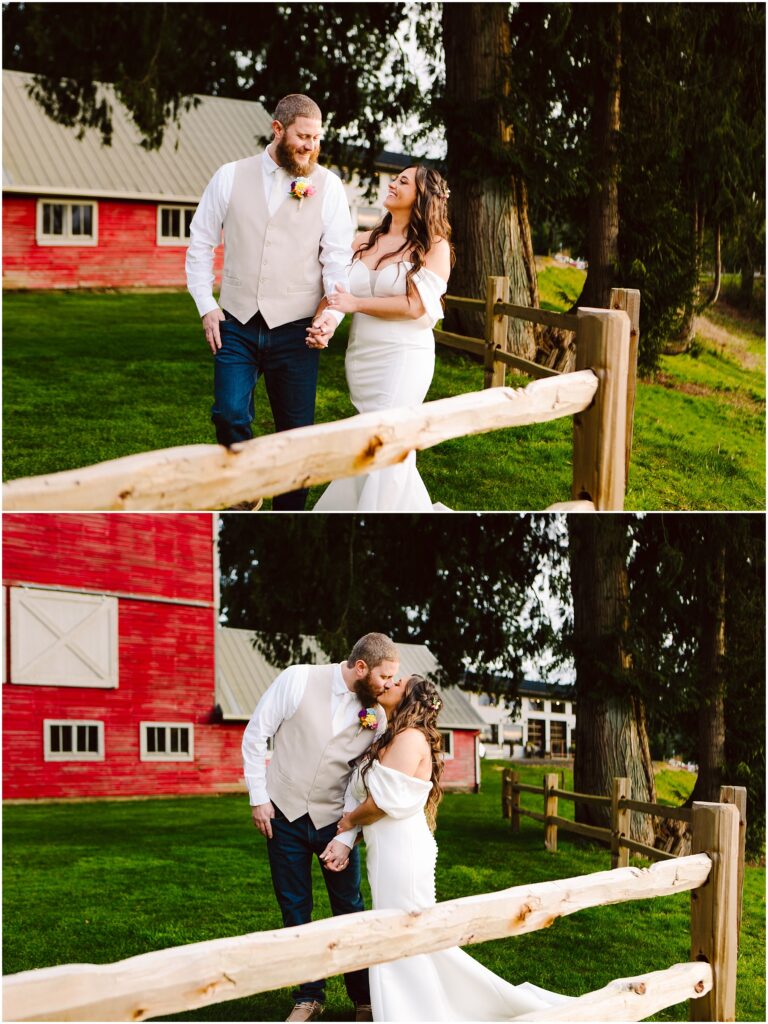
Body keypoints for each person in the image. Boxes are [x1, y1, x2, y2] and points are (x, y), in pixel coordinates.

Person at [324, 675, 571, 1022]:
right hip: (387, 850)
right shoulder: (390, 735)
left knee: (407, 929)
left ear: (409, 697)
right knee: (401, 927)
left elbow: (381, 801)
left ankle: (415, 1012)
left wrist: (348, 823)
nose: (390, 682)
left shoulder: (410, 739)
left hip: (404, 852)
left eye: (398, 682)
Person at [186, 93, 352, 511]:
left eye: (317, 138)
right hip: (237, 323)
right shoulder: (229, 176)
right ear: (278, 129)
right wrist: (207, 304)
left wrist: (330, 314)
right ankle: (248, 486)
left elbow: (336, 259)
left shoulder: (328, 186)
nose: (311, 146)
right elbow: (201, 243)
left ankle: (289, 513)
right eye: (303, 136)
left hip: (296, 330)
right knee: (227, 414)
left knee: (295, 437)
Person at [241, 633, 400, 1023]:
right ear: (361, 668)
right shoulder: (297, 678)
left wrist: (346, 838)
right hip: (284, 816)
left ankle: (363, 998)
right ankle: (309, 996)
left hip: (335, 823)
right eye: (384, 677)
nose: (389, 685)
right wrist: (259, 798)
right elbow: (256, 734)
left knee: (350, 910)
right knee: (295, 907)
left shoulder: (376, 716)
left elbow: (364, 782)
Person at [311, 165, 453, 511]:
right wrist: (326, 322)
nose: (392, 183)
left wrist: (355, 303)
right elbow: (337, 293)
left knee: (387, 438)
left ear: (423, 197)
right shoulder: (363, 240)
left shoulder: (434, 248)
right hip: (363, 357)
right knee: (375, 443)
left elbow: (415, 306)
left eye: (403, 181)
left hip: (404, 356)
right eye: (395, 178)